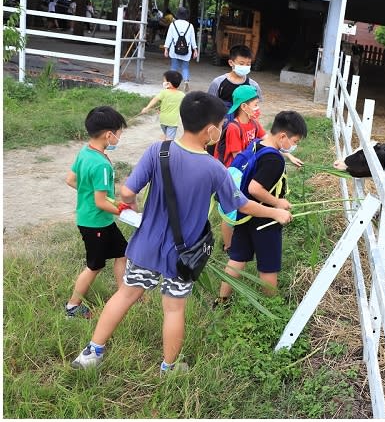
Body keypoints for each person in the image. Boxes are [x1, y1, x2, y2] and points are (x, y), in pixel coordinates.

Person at [70, 92, 293, 373]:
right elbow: (242, 204)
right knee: (174, 309)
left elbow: (127, 191)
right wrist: (276, 212)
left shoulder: (157, 150)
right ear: (211, 130)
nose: (221, 131)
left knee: (125, 294)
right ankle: (169, 367)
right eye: (221, 126)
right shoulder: (215, 169)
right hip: (183, 255)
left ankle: (92, 354)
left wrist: (135, 206)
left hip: (146, 246)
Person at [215, 111, 307, 308]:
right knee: (269, 266)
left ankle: (221, 301)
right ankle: (271, 309)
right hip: (265, 218)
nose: (294, 145)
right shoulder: (274, 160)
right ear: (282, 136)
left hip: (245, 213)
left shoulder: (258, 144)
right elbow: (255, 188)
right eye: (294, 140)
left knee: (237, 257)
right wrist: (277, 203)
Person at [64, 106, 129, 318]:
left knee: (122, 252)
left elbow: (71, 180)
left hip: (97, 219)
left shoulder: (85, 152)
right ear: (109, 135)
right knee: (94, 265)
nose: (119, 137)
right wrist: (122, 211)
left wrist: (96, 197)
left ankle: (123, 294)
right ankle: (72, 307)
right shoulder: (102, 165)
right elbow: (101, 202)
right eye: (119, 133)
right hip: (96, 223)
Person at [214, 85, 266, 253]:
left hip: (246, 172)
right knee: (230, 210)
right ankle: (228, 246)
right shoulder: (233, 128)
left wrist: (286, 153)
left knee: (241, 206)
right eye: (255, 104)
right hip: (233, 174)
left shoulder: (254, 124)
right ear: (244, 106)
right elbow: (238, 157)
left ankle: (241, 237)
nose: (257, 109)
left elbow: (266, 139)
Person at [207, 44, 263, 111]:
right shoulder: (218, 83)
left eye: (248, 64)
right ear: (231, 62)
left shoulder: (253, 86)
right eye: (241, 64)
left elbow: (255, 107)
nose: (245, 66)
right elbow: (210, 105)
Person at [140, 70, 186, 141]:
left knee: (167, 136)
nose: (163, 82)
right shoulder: (182, 95)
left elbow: (155, 99)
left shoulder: (164, 92)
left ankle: (165, 138)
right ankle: (166, 147)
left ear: (169, 83)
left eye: (164, 80)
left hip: (163, 120)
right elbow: (186, 105)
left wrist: (147, 108)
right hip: (172, 122)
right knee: (169, 140)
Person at [163, 6, 198, 92]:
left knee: (174, 67)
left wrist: (166, 49)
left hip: (174, 50)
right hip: (186, 51)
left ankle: (171, 84)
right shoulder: (190, 26)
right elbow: (193, 39)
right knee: (185, 67)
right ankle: (186, 81)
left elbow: (169, 38)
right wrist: (195, 50)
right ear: (186, 15)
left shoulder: (173, 24)